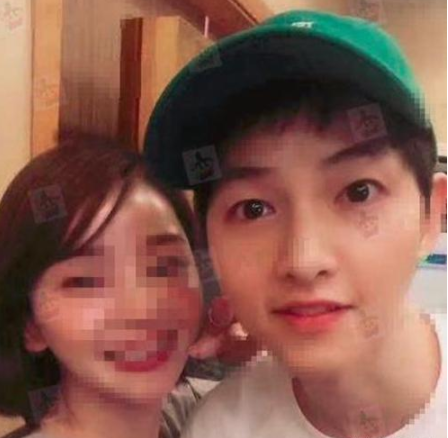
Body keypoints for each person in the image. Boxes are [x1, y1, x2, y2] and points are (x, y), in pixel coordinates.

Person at [143, 10, 447, 438]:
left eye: (359, 192)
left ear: (431, 215)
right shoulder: (220, 428)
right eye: (253, 209)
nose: (304, 261)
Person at [0, 135, 244, 438]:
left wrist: (271, 346)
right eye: (87, 281)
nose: (142, 310)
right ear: (31, 325)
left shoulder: (219, 415)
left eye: (165, 267)